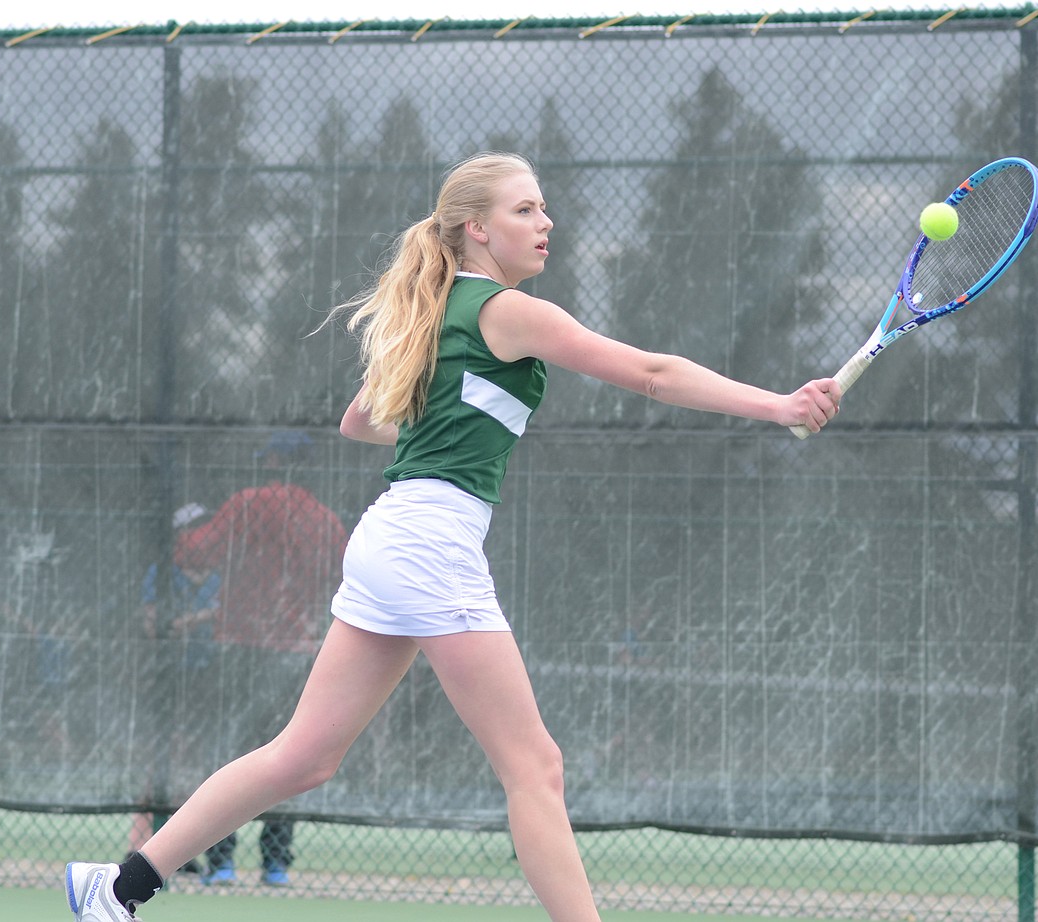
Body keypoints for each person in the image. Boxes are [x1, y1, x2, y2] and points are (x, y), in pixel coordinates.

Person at [64, 151, 840, 922]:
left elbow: (359, 423)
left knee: (305, 756)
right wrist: (778, 406)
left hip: (391, 536)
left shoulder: (435, 316)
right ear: (476, 229)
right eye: (524, 210)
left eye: (542, 209)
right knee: (535, 766)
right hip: (429, 543)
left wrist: (440, 415)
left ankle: (119, 888)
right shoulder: (506, 312)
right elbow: (653, 374)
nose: (546, 223)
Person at [169, 431, 349, 887]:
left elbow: (194, 551)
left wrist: (175, 524)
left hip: (239, 649)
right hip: (296, 652)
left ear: (269, 461)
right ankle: (275, 863)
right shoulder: (324, 521)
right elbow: (343, 576)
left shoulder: (245, 504)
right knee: (289, 757)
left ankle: (221, 862)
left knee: (229, 752)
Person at [126, 502, 221, 874]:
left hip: (208, 676)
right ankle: (138, 849)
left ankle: (175, 854)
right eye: (192, 529)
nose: (200, 536)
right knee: (157, 762)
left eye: (205, 528)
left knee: (195, 762)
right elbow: (152, 626)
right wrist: (189, 621)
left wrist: (196, 619)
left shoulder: (220, 574)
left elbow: (230, 616)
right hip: (167, 677)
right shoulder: (161, 574)